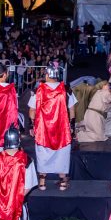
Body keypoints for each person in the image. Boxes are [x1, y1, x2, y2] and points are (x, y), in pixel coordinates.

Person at [29, 63, 76, 191]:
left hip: (43, 129)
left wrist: (31, 126)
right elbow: (72, 110)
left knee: (43, 153)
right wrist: (72, 126)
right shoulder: (66, 90)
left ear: (49, 75)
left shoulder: (38, 90)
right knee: (62, 154)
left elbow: (32, 111)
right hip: (62, 129)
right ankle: (62, 181)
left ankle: (42, 181)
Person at [0, 125, 37, 220]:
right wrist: (11, 199)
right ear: (19, 141)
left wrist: (1, 200)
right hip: (17, 207)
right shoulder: (26, 161)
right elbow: (27, 187)